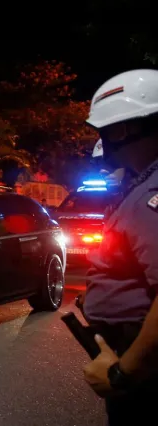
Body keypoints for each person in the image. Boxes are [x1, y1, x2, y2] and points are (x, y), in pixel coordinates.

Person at [80, 69, 158, 425]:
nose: (103, 141)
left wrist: (123, 374)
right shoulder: (141, 187)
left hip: (144, 375)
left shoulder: (152, 195)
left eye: (105, 130)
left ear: (125, 129)